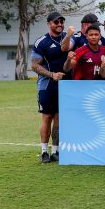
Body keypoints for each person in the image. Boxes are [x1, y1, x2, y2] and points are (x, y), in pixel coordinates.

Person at [30, 11, 70, 163]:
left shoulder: (68, 38)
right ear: (49, 24)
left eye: (61, 21)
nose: (59, 24)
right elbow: (34, 65)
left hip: (65, 85)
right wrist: (51, 74)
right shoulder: (42, 42)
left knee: (59, 118)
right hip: (47, 85)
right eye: (56, 22)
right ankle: (44, 151)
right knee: (47, 117)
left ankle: (56, 151)